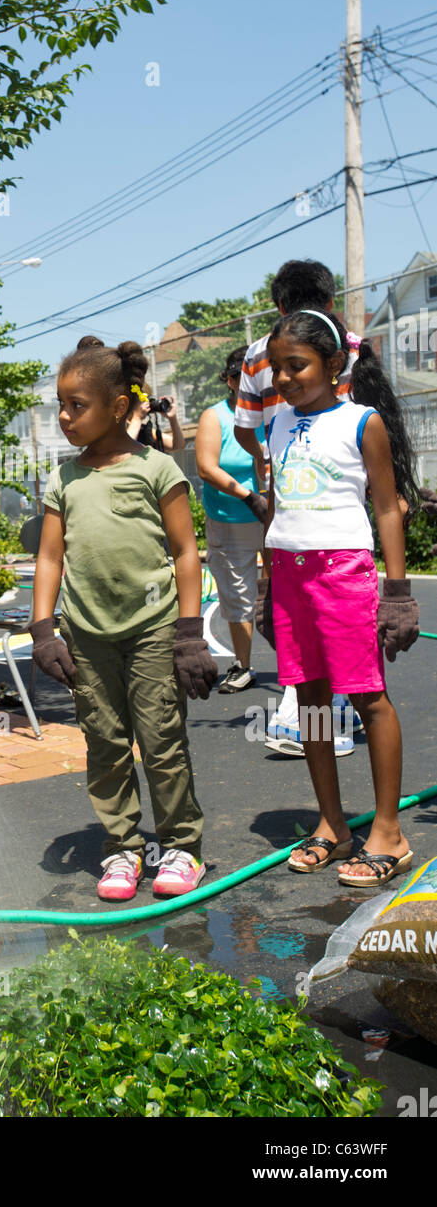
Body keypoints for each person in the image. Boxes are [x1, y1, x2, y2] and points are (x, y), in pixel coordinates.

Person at [30, 335, 216, 902]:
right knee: (105, 744)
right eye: (59, 405)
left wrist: (189, 636)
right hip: (87, 637)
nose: (64, 417)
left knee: (161, 741)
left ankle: (181, 847)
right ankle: (122, 849)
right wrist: (43, 630)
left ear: (116, 406)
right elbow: (49, 556)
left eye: (76, 406)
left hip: (155, 632)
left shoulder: (157, 469)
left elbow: (187, 551)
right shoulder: (64, 478)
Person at [256, 308, 419, 885]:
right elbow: (279, 506)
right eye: (275, 367)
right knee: (312, 699)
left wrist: (397, 592)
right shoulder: (275, 426)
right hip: (289, 572)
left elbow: (385, 508)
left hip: (342, 573)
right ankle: (332, 824)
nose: (282, 378)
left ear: (332, 363)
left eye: (295, 365)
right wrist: (266, 579)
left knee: (368, 696)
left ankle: (389, 832)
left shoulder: (362, 421)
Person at [234, 258, 361, 753]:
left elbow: (245, 428)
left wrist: (273, 459)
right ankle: (329, 702)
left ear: (279, 305)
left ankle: (322, 702)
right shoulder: (352, 347)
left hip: (288, 500)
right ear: (331, 301)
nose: (287, 377)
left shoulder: (256, 354)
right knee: (339, 603)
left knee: (296, 601)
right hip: (343, 499)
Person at [195, 347, 267, 692]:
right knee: (239, 594)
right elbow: (207, 467)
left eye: (249, 374)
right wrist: (249, 497)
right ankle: (243, 665)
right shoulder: (216, 416)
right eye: (237, 375)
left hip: (275, 517)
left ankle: (301, 670)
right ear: (228, 379)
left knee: (285, 591)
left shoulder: (275, 411)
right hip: (230, 518)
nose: (243, 381)